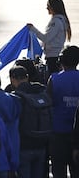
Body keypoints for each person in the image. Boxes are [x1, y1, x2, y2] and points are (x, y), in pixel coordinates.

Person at [9, 65, 49, 178]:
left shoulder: (15, 97)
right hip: (42, 143)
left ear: (12, 78)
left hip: (24, 145)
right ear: (27, 77)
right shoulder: (41, 90)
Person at [47, 45, 79, 178]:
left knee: (58, 171)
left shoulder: (54, 79)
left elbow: (49, 104)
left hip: (58, 132)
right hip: (77, 134)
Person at [27, 0, 72, 76]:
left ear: (53, 7)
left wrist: (33, 29)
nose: (46, 8)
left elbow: (46, 38)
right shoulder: (62, 20)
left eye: (48, 6)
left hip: (53, 57)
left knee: (52, 79)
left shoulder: (56, 22)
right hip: (55, 55)